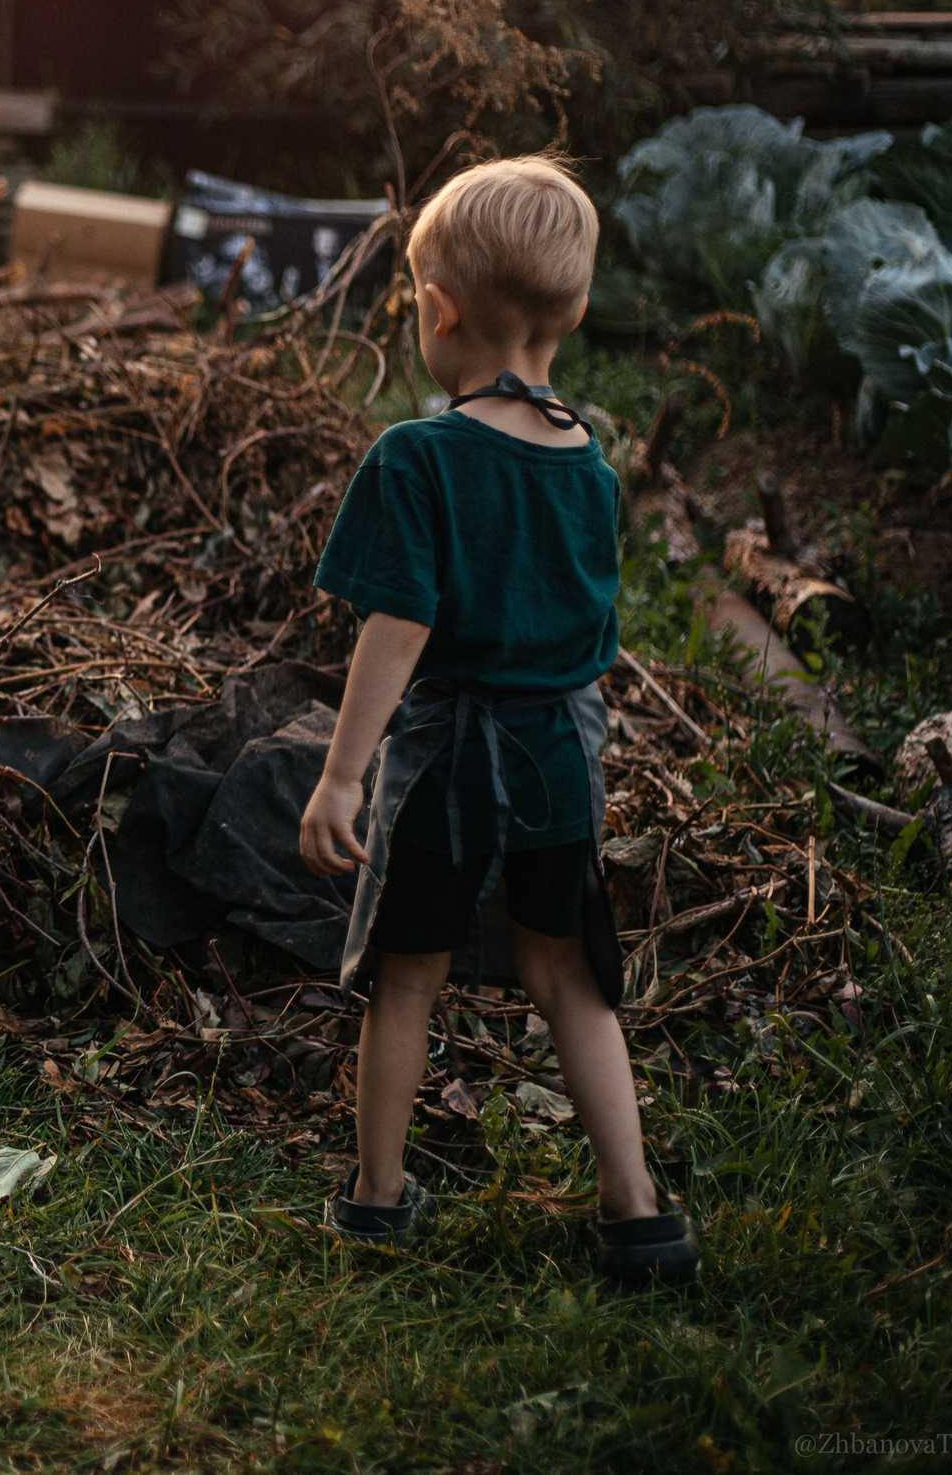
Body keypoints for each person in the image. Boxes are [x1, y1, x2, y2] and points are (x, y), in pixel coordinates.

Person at [297, 153, 700, 1284]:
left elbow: (398, 625)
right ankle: (636, 1213)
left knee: (405, 975)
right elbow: (588, 637)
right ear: (572, 312)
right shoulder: (591, 467)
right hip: (560, 757)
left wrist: (341, 776)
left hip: (445, 764)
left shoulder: (416, 456)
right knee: (570, 973)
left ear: (438, 308)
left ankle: (377, 1201)